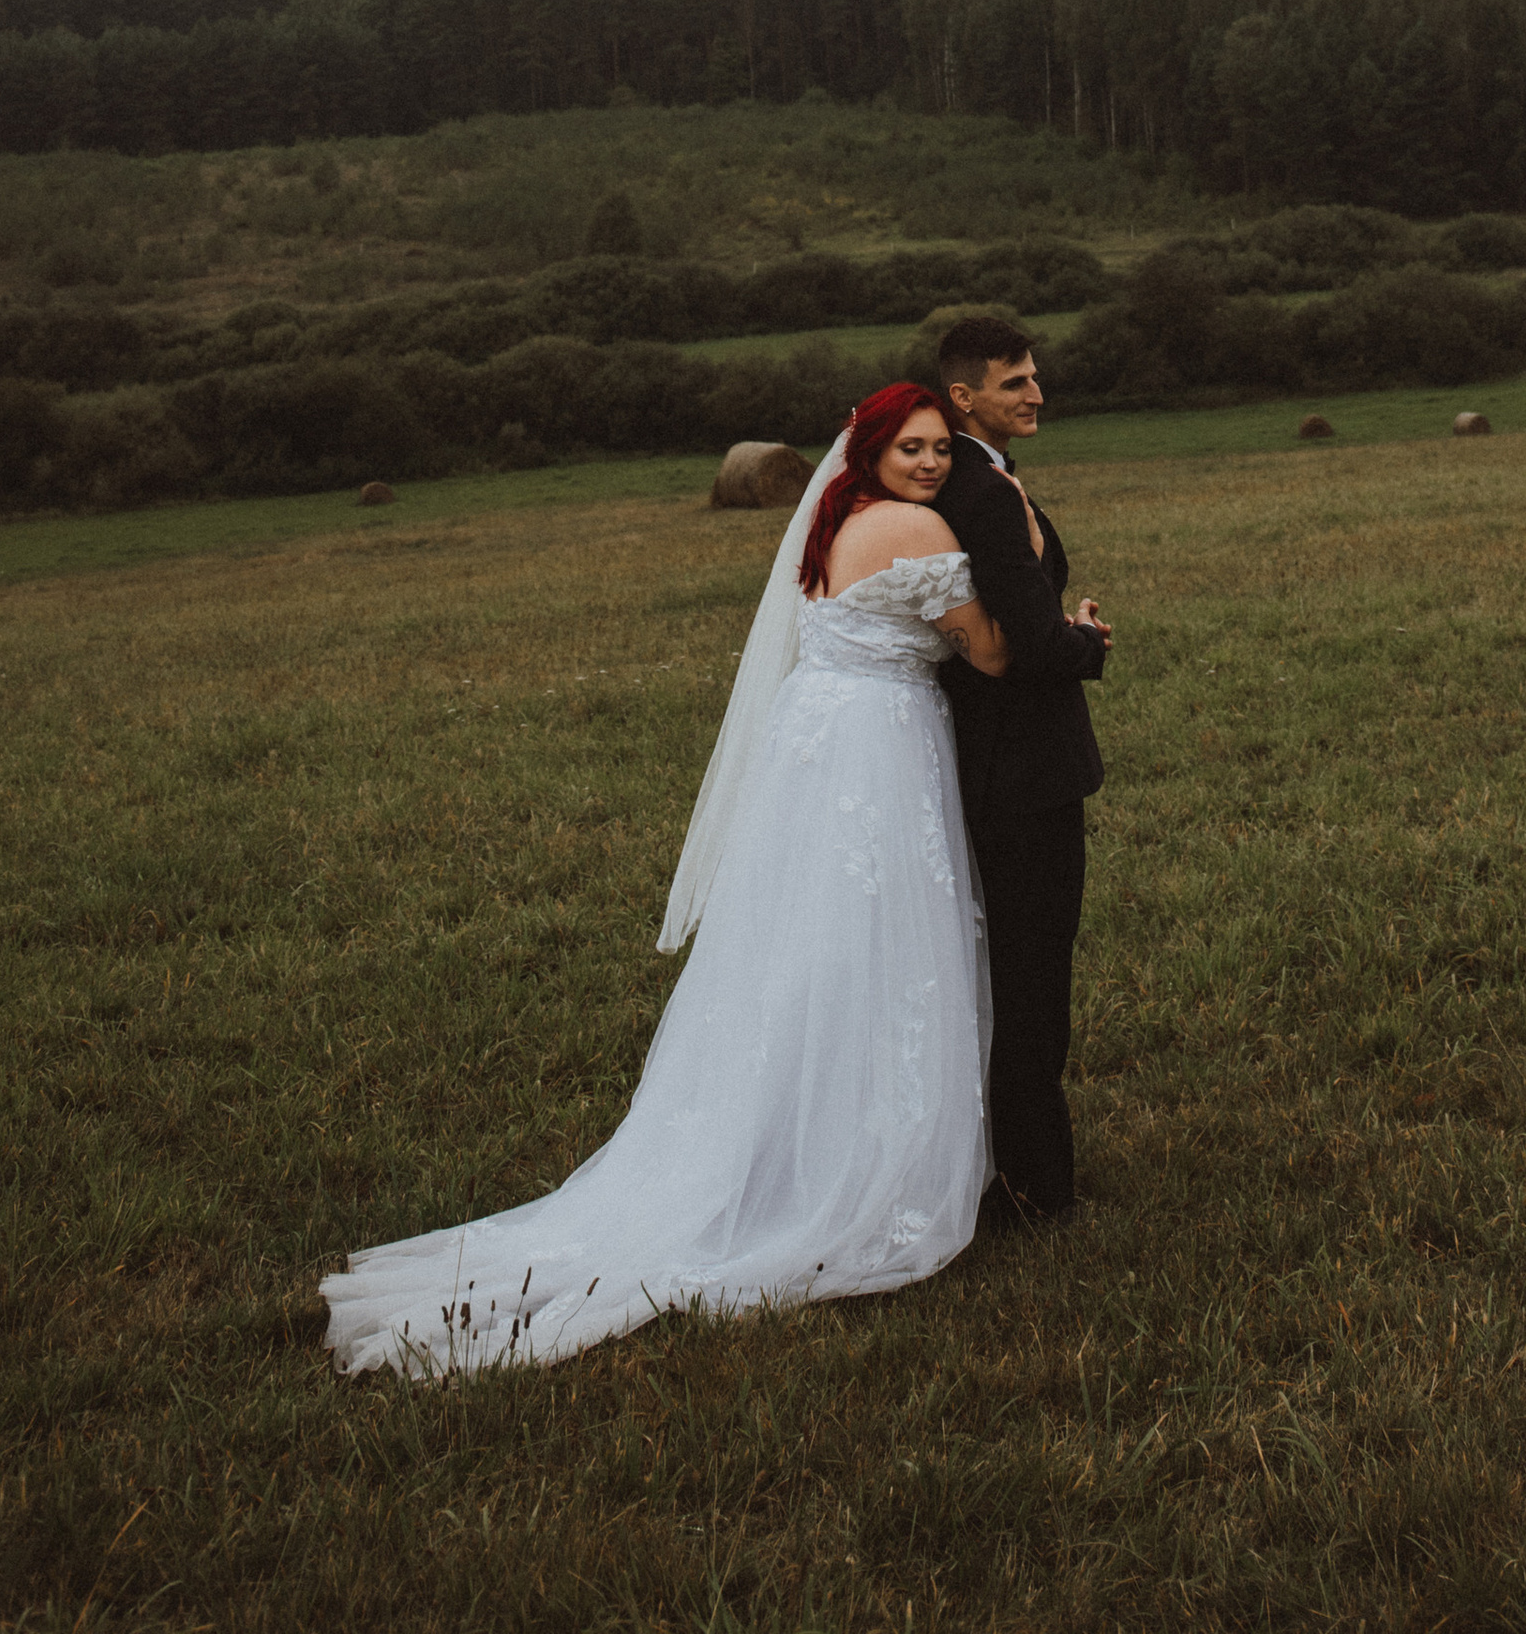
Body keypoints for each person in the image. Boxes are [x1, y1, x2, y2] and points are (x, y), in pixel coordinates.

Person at [320, 381, 1005, 1377]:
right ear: (870, 453)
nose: (933, 464)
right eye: (913, 448)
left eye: (942, 448)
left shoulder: (831, 514)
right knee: (881, 939)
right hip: (878, 748)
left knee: (804, 942)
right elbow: (989, 652)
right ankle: (853, 1157)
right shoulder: (913, 528)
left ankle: (779, 1127)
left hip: (815, 745)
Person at [928, 311, 1112, 1226]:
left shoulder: (962, 478)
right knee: (1034, 982)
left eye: (1035, 376)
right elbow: (1030, 646)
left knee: (1012, 974)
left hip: (992, 764)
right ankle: (1035, 1190)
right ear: (964, 396)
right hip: (1027, 773)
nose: (1037, 392)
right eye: (1016, 382)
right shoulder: (985, 492)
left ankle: (1005, 1169)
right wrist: (1086, 642)